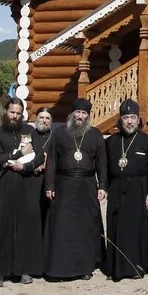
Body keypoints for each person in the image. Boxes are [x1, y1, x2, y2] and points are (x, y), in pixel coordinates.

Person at [0, 98, 45, 286]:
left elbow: (39, 156)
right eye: (12, 112)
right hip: (5, 184)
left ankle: (24, 270)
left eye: (18, 113)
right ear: (6, 111)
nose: (14, 116)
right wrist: (18, 154)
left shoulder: (29, 131)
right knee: (2, 226)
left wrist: (26, 166)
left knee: (25, 227)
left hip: (26, 182)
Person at [43, 98, 107, 280]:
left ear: (88, 115)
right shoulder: (60, 133)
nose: (80, 116)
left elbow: (102, 162)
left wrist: (102, 185)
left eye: (84, 113)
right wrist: (49, 185)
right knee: (61, 225)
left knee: (85, 226)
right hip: (64, 183)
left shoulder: (95, 134)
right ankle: (58, 267)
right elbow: (52, 161)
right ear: (71, 114)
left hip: (87, 185)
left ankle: (85, 267)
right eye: (77, 113)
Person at [102, 99, 148, 281]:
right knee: (116, 227)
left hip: (139, 190)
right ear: (121, 120)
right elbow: (105, 168)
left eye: (133, 117)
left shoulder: (147, 141)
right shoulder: (111, 141)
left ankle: (137, 267)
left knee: (137, 230)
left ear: (138, 119)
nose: (129, 121)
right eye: (126, 117)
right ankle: (116, 267)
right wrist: (104, 187)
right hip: (117, 189)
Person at [31, 107, 55, 232]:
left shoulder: (55, 137)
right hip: (30, 180)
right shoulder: (29, 135)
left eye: (47, 118)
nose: (44, 120)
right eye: (41, 117)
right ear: (36, 118)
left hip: (47, 181)